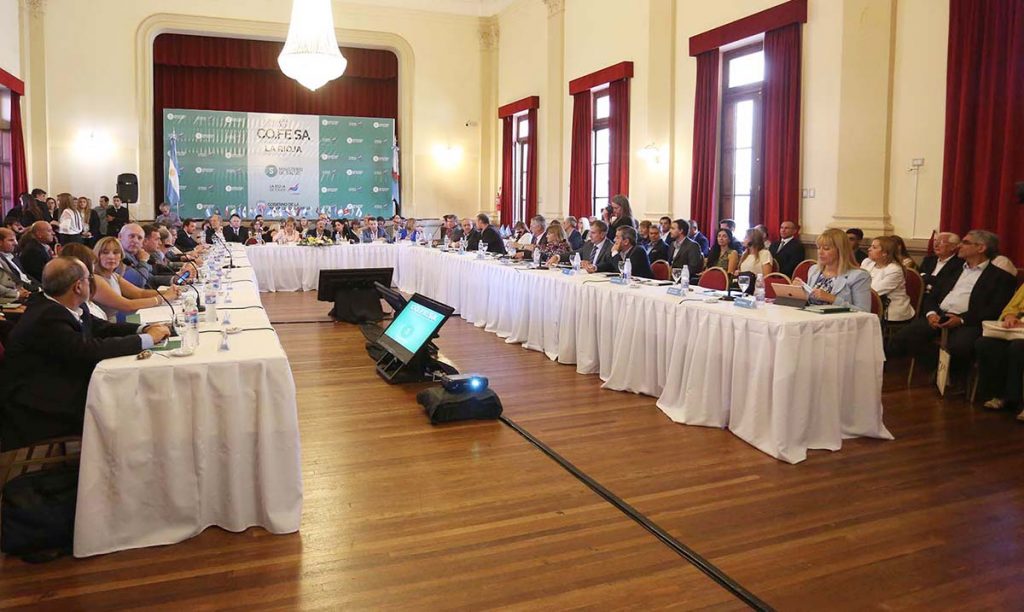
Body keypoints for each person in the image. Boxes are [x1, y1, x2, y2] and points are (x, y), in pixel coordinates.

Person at [0, 257, 171, 449]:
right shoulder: (47, 316)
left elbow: (102, 328)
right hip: (36, 405)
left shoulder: (65, 304)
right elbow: (90, 350)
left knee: (130, 387)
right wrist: (147, 339)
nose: (92, 281)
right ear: (78, 287)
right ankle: (125, 456)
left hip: (59, 382)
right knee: (127, 397)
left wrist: (145, 329)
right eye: (89, 278)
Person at [889, 230, 1016, 373]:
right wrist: (931, 313)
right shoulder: (954, 269)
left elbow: (994, 309)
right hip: (938, 315)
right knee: (903, 337)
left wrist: (960, 319)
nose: (959, 245)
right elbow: (932, 296)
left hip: (968, 322)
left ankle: (953, 377)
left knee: (959, 347)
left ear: (981, 248)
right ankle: (937, 371)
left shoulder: (1001, 278)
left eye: (965, 242)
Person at [84, 237, 178, 322]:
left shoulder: (114, 275)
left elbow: (140, 293)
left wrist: (170, 292)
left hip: (117, 323)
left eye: (116, 252)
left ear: (121, 256)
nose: (111, 256)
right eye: (105, 252)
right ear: (97, 255)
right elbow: (127, 305)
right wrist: (163, 298)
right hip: (108, 328)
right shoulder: (96, 279)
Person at [975, 282, 1024, 419]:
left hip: (1020, 336)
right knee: (985, 344)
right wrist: (1010, 317)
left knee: (1018, 347)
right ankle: (999, 394)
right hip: (1017, 330)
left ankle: (1016, 399)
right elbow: (1009, 308)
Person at [797, 228, 872, 312]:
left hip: (839, 320)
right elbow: (808, 303)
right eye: (818, 248)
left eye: (826, 248)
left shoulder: (859, 276)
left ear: (841, 251)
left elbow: (863, 311)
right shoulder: (814, 270)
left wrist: (833, 299)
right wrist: (798, 292)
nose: (820, 252)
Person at [861, 236, 915, 322]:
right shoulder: (867, 262)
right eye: (871, 246)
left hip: (891, 313)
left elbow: (874, 291)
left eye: (874, 247)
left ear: (885, 253)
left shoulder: (894, 269)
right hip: (869, 307)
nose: (869, 249)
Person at [119, 223, 175, 288]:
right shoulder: (119, 256)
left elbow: (150, 278)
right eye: (131, 236)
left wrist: (174, 279)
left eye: (139, 238)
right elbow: (139, 281)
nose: (135, 241)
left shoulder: (135, 254)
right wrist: (143, 260)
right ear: (120, 236)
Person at [587, 226, 653, 279]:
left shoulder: (638, 251)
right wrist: (595, 267)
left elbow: (625, 271)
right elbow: (609, 265)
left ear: (626, 241)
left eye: (617, 237)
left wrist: (615, 253)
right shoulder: (620, 251)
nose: (614, 240)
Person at [0, 228, 36, 301]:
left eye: (15, 240)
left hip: (26, 291)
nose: (16, 243)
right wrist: (17, 294)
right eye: (11, 240)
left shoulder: (13, 256)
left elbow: (24, 275)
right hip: (11, 298)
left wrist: (39, 287)